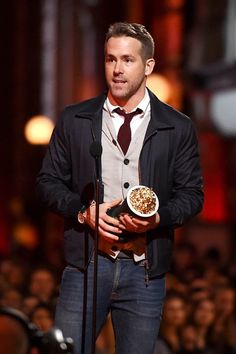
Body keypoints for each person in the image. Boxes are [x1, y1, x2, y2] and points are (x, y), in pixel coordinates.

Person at [36, 22, 204, 354]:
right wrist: (83, 213)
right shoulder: (75, 119)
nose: (117, 69)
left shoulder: (178, 127)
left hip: (144, 272)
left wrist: (159, 218)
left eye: (128, 60)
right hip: (86, 266)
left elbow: (192, 195)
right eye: (111, 59)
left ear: (148, 66)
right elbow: (46, 183)